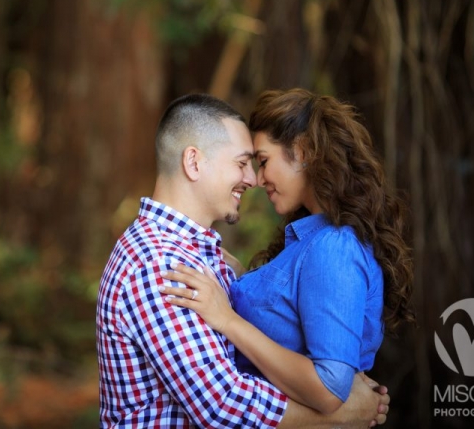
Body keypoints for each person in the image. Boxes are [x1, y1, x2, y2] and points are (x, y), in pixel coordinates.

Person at [96, 93, 390, 428]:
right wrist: (345, 414)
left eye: (258, 162)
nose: (252, 179)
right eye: (242, 163)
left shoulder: (194, 256)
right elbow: (222, 404)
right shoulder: (159, 263)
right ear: (193, 163)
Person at [160, 88, 414, 416]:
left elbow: (328, 389)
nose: (257, 178)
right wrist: (235, 275)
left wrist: (227, 320)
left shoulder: (333, 248)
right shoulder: (312, 240)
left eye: (264, 161)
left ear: (303, 150)